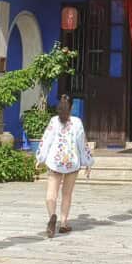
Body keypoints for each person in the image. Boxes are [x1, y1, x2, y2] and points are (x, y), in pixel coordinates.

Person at [35, 95, 93, 237]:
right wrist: (88, 162)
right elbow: (82, 144)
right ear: (71, 108)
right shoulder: (77, 122)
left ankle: (51, 217)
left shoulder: (53, 121)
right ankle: (63, 223)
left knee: (51, 192)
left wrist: (40, 158)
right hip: (72, 162)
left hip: (55, 161)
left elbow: (46, 140)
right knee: (66, 194)